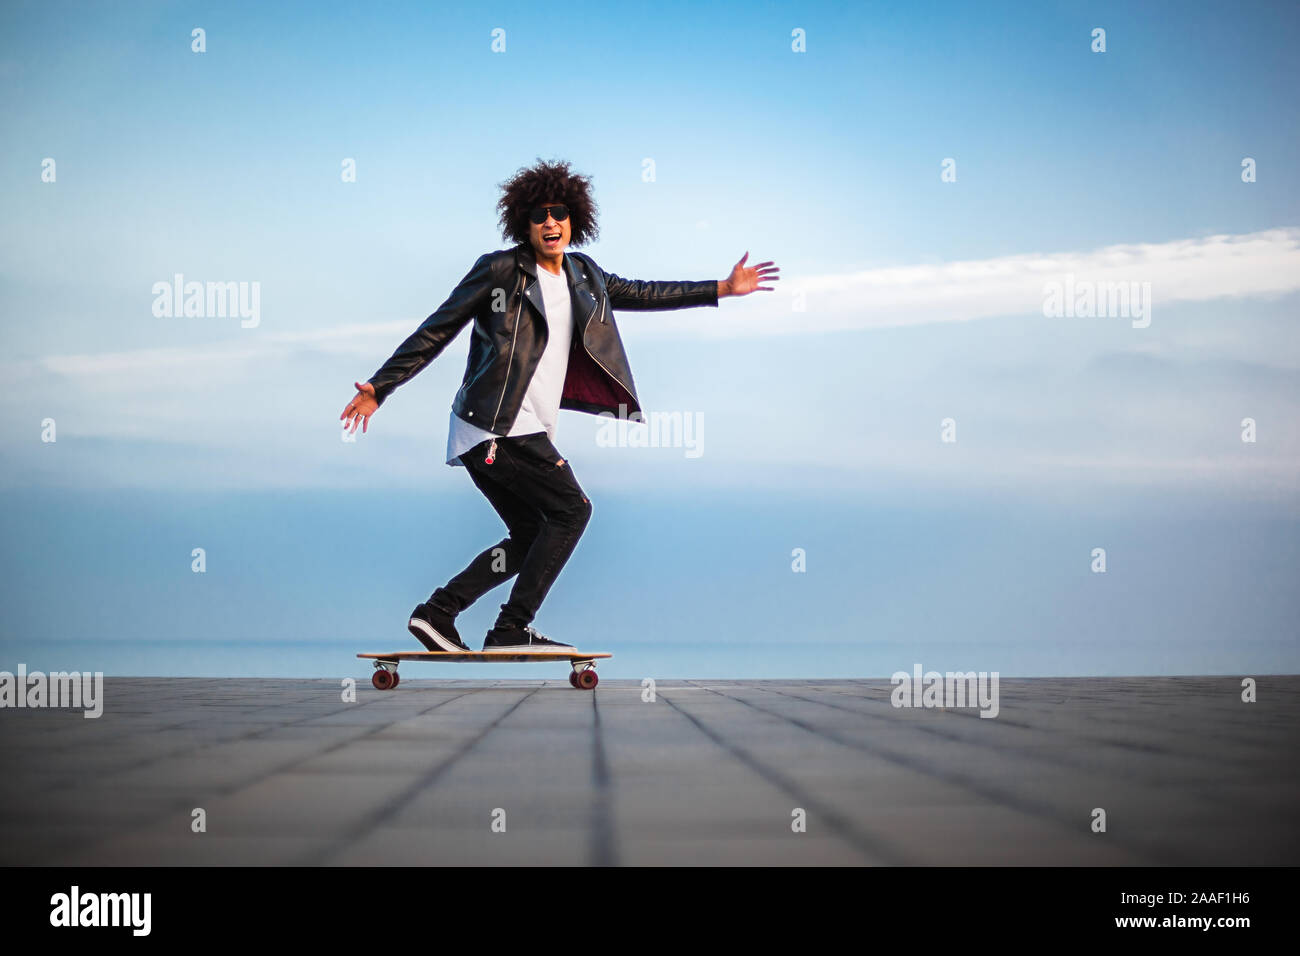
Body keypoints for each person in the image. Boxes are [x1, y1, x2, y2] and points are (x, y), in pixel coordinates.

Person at [339, 159, 779, 654]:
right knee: (574, 510)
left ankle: (438, 612)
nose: (550, 222)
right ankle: (510, 628)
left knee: (531, 533)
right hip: (495, 426)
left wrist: (722, 288)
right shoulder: (500, 271)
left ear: (574, 220)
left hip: (517, 433)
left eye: (559, 213)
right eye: (539, 214)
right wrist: (380, 387)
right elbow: (438, 327)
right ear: (523, 224)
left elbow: (644, 292)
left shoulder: (584, 276)